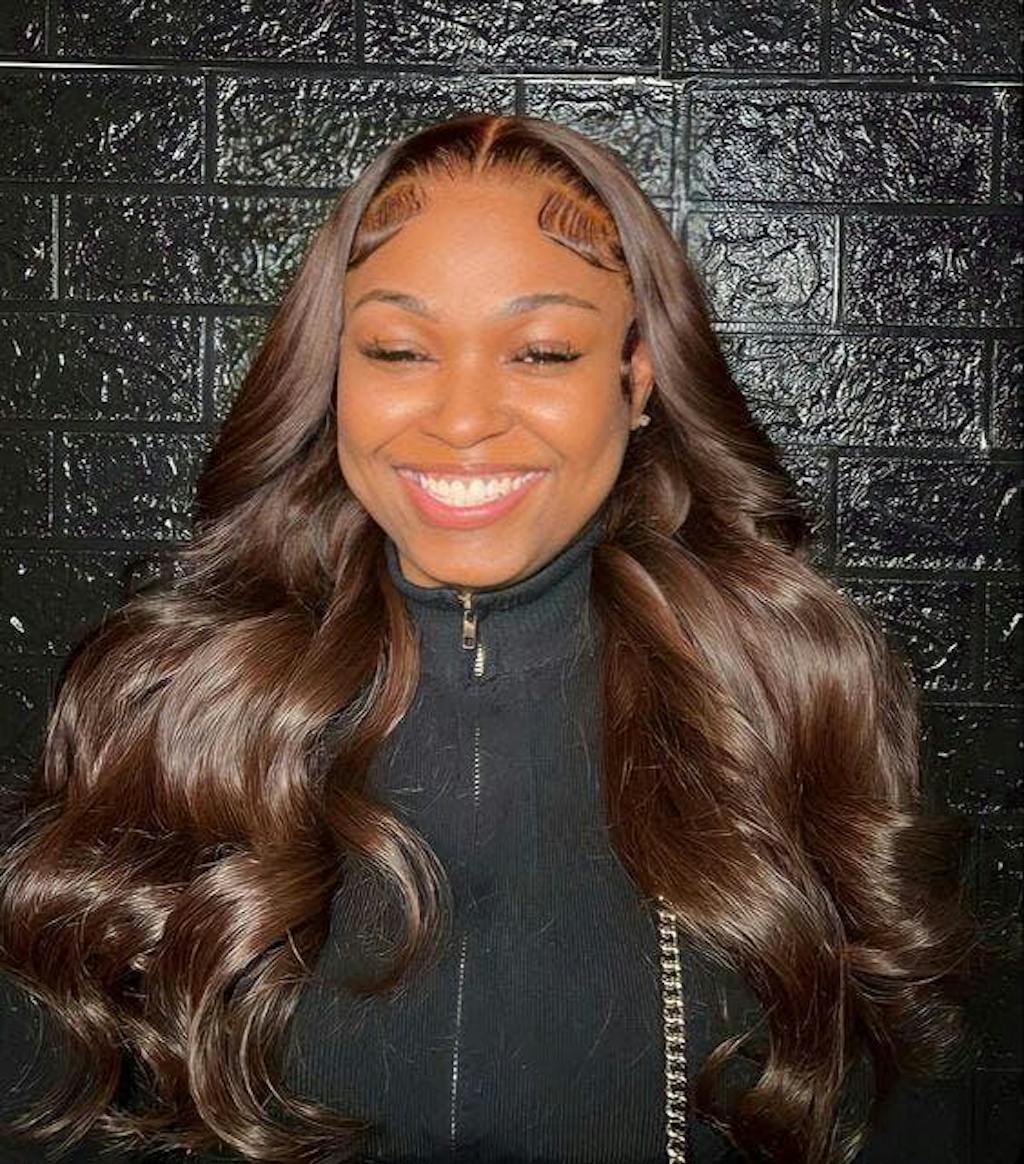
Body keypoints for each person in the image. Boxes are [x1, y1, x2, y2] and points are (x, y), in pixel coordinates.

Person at [0, 114, 1001, 1164]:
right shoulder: (169, 707)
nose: (464, 417)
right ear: (332, 376)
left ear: (637, 378)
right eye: (398, 350)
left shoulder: (797, 695)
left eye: (541, 352)